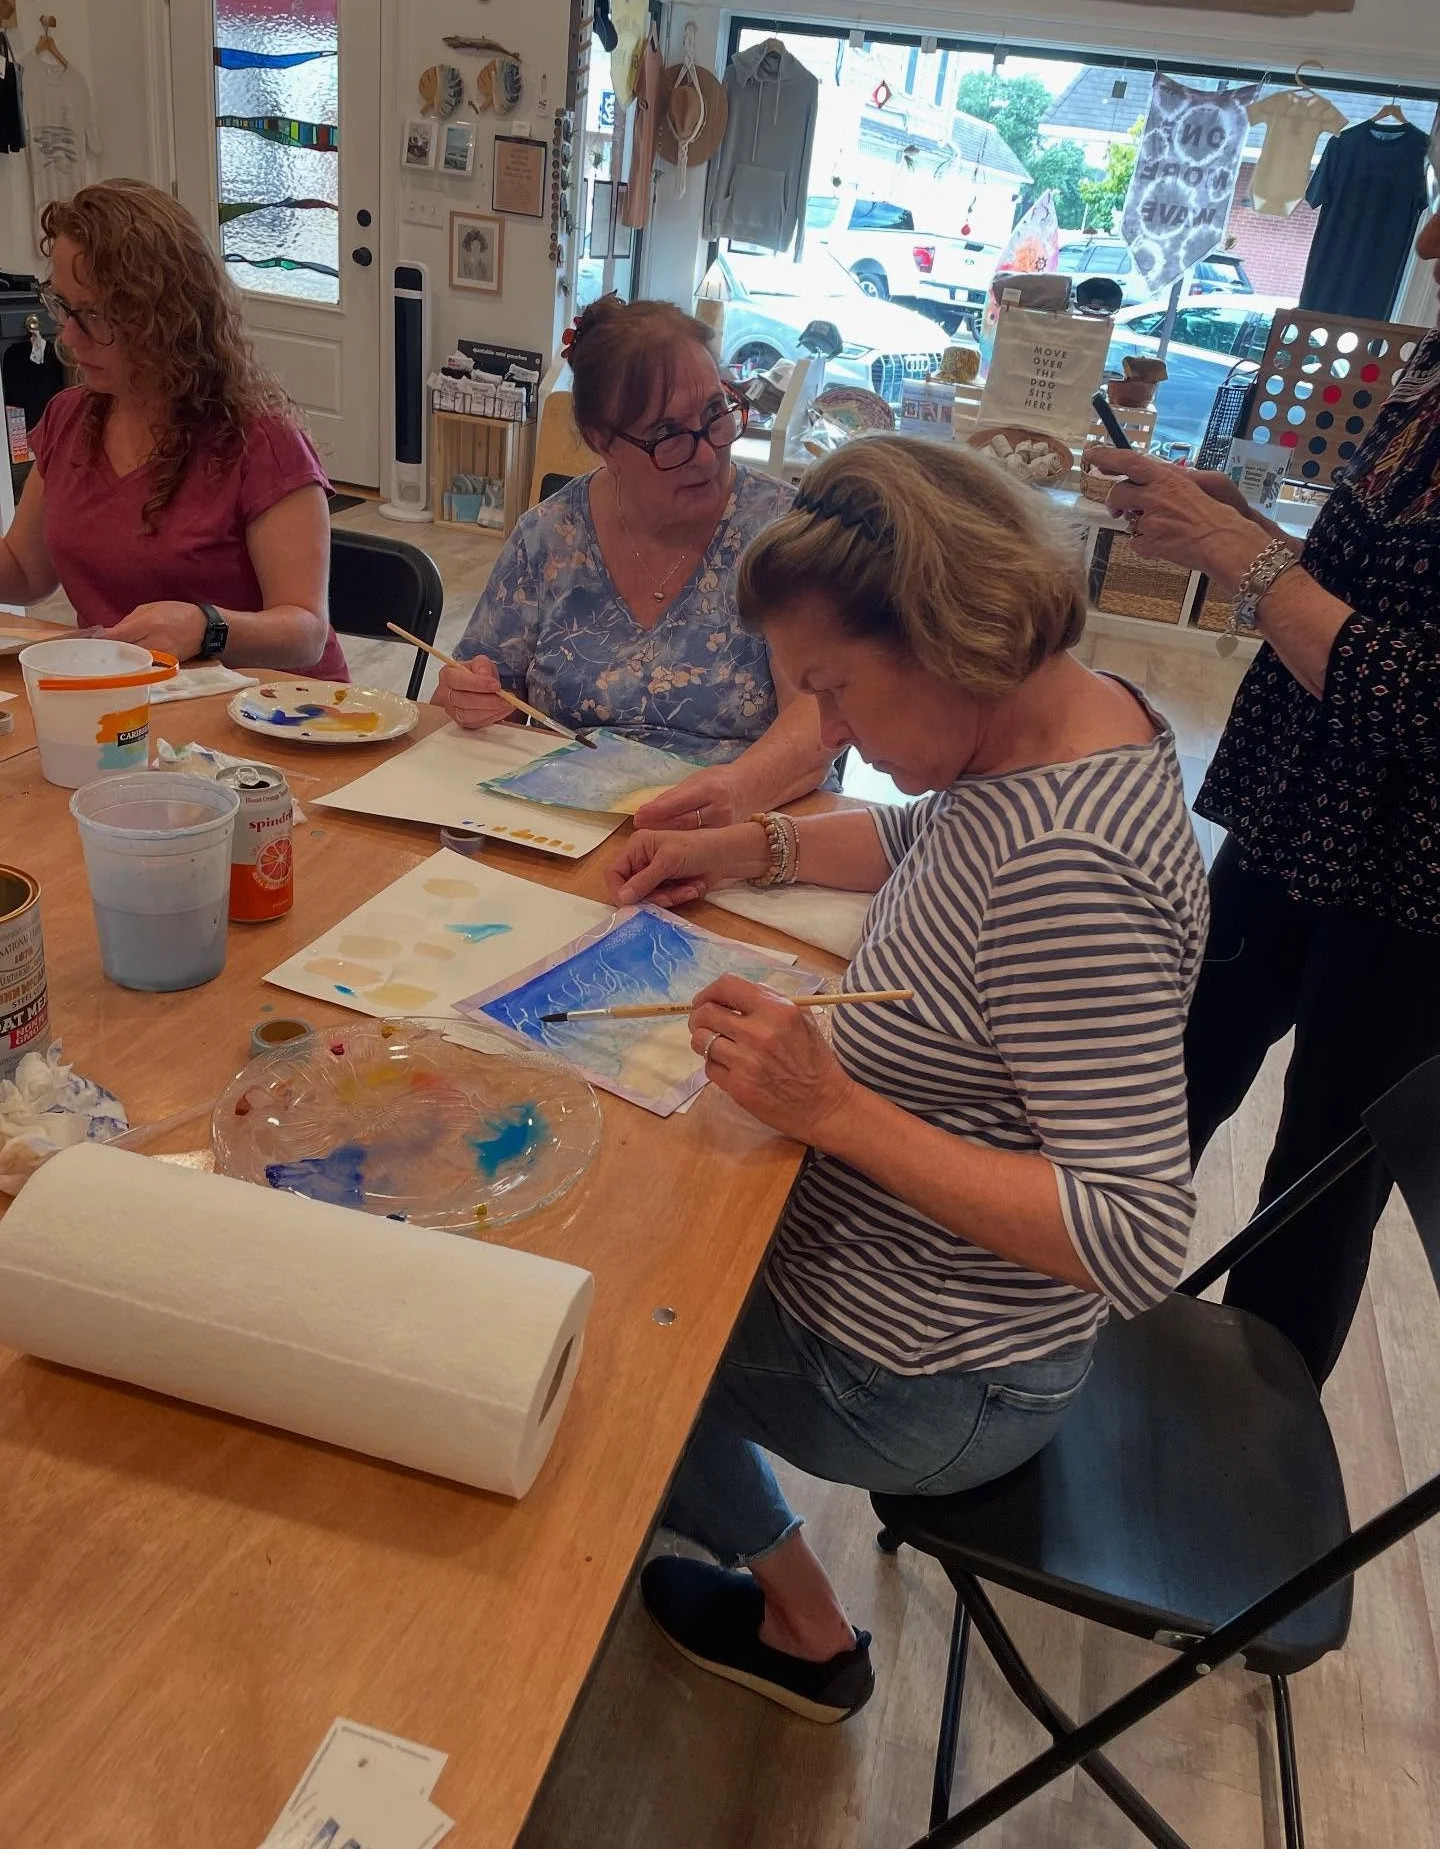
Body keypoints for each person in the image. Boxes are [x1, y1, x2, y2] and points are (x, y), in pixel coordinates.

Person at [603, 437, 1209, 1720]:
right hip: (918, 1299)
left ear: (942, 637)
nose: (830, 735)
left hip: (934, 1379)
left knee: (595, 1302)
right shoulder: (1056, 724)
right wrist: (750, 844)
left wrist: (834, 1110)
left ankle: (803, 1628)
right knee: (634, 1205)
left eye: (835, 691)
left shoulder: (1070, 872)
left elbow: (1137, 1235)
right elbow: (927, 839)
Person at [1085, 200, 1440, 1389]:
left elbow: (1425, 700)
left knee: (1321, 1179)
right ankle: (1047, 1323)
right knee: (1170, 1065)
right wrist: (1238, 524)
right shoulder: (1432, 370)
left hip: (1416, 884)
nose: (1427, 246)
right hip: (1303, 807)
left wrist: (1246, 559)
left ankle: (1252, 1428)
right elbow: (1364, 584)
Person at [437, 297, 830, 831]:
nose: (706, 453)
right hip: (564, 825)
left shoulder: (784, 534)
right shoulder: (548, 537)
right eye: (668, 435)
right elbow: (479, 691)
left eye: (715, 414)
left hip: (741, 830)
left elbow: (817, 722)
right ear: (603, 442)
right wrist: (471, 698)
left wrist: (730, 793)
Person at [0, 180, 342, 678]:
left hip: (270, 707)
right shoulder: (70, 417)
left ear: (165, 318)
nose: (69, 338)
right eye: (64, 307)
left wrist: (208, 628)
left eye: (93, 316)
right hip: (136, 697)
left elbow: (305, 633)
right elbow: (24, 570)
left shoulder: (260, 440)